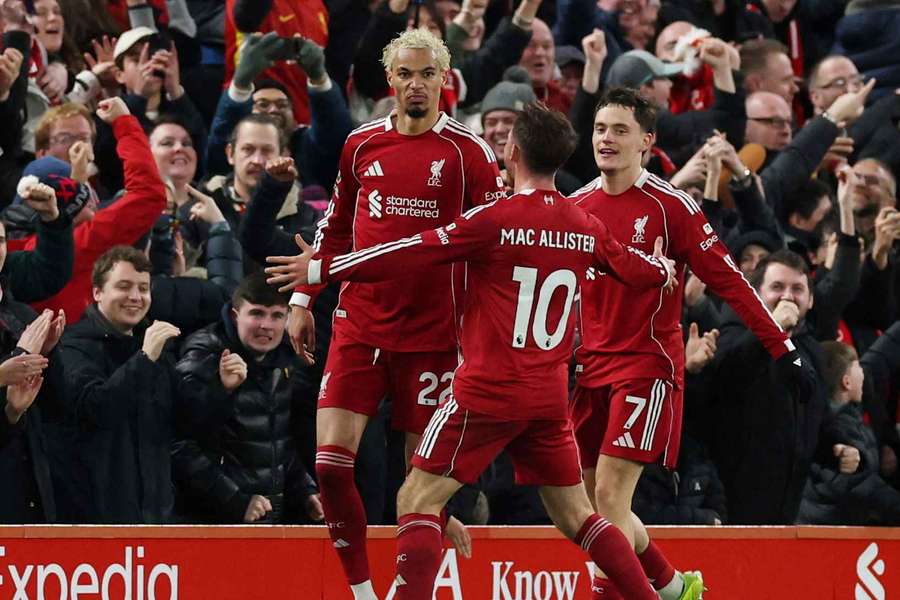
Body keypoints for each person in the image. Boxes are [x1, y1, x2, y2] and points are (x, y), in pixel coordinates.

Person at [267, 101, 676, 600]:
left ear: (512, 151)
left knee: (416, 499)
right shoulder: (583, 222)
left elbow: (408, 250)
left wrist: (320, 270)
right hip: (547, 398)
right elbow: (634, 268)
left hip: (484, 392)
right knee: (579, 517)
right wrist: (661, 270)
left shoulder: (494, 218)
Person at [281, 28, 505, 600]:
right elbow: (335, 224)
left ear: (444, 81)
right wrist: (304, 299)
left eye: (428, 73)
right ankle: (360, 592)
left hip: (434, 335)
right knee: (330, 466)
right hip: (360, 324)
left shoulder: (469, 153)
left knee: (420, 492)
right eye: (406, 73)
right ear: (390, 81)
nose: (416, 84)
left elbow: (493, 248)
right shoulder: (361, 145)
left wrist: (483, 335)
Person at [569, 87, 807, 599]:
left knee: (610, 498)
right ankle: (677, 588)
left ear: (648, 142)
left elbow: (729, 281)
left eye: (620, 130)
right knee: (591, 506)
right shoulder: (576, 207)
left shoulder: (670, 207)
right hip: (588, 369)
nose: (606, 140)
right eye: (599, 129)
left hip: (645, 366)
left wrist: (781, 349)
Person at [173, 272, 323, 524]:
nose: (266, 325)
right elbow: (179, 445)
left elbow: (279, 442)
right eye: (256, 313)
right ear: (235, 315)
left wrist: (304, 490)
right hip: (213, 521)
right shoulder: (204, 355)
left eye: (276, 316)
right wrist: (235, 500)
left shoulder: (287, 358)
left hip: (268, 516)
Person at [59, 246, 183, 523]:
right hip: (95, 518)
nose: (136, 297)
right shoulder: (73, 346)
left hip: (155, 515)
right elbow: (98, 409)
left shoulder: (153, 345)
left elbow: (182, 422)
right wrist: (144, 359)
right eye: (124, 286)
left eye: (143, 288)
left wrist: (221, 389)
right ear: (97, 292)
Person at [709, 250, 826, 524]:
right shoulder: (733, 331)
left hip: (790, 502)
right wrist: (772, 330)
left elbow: (818, 412)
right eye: (777, 287)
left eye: (797, 289)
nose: (787, 296)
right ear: (757, 293)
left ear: (810, 299)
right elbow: (723, 378)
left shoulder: (813, 349)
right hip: (733, 498)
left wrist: (841, 445)